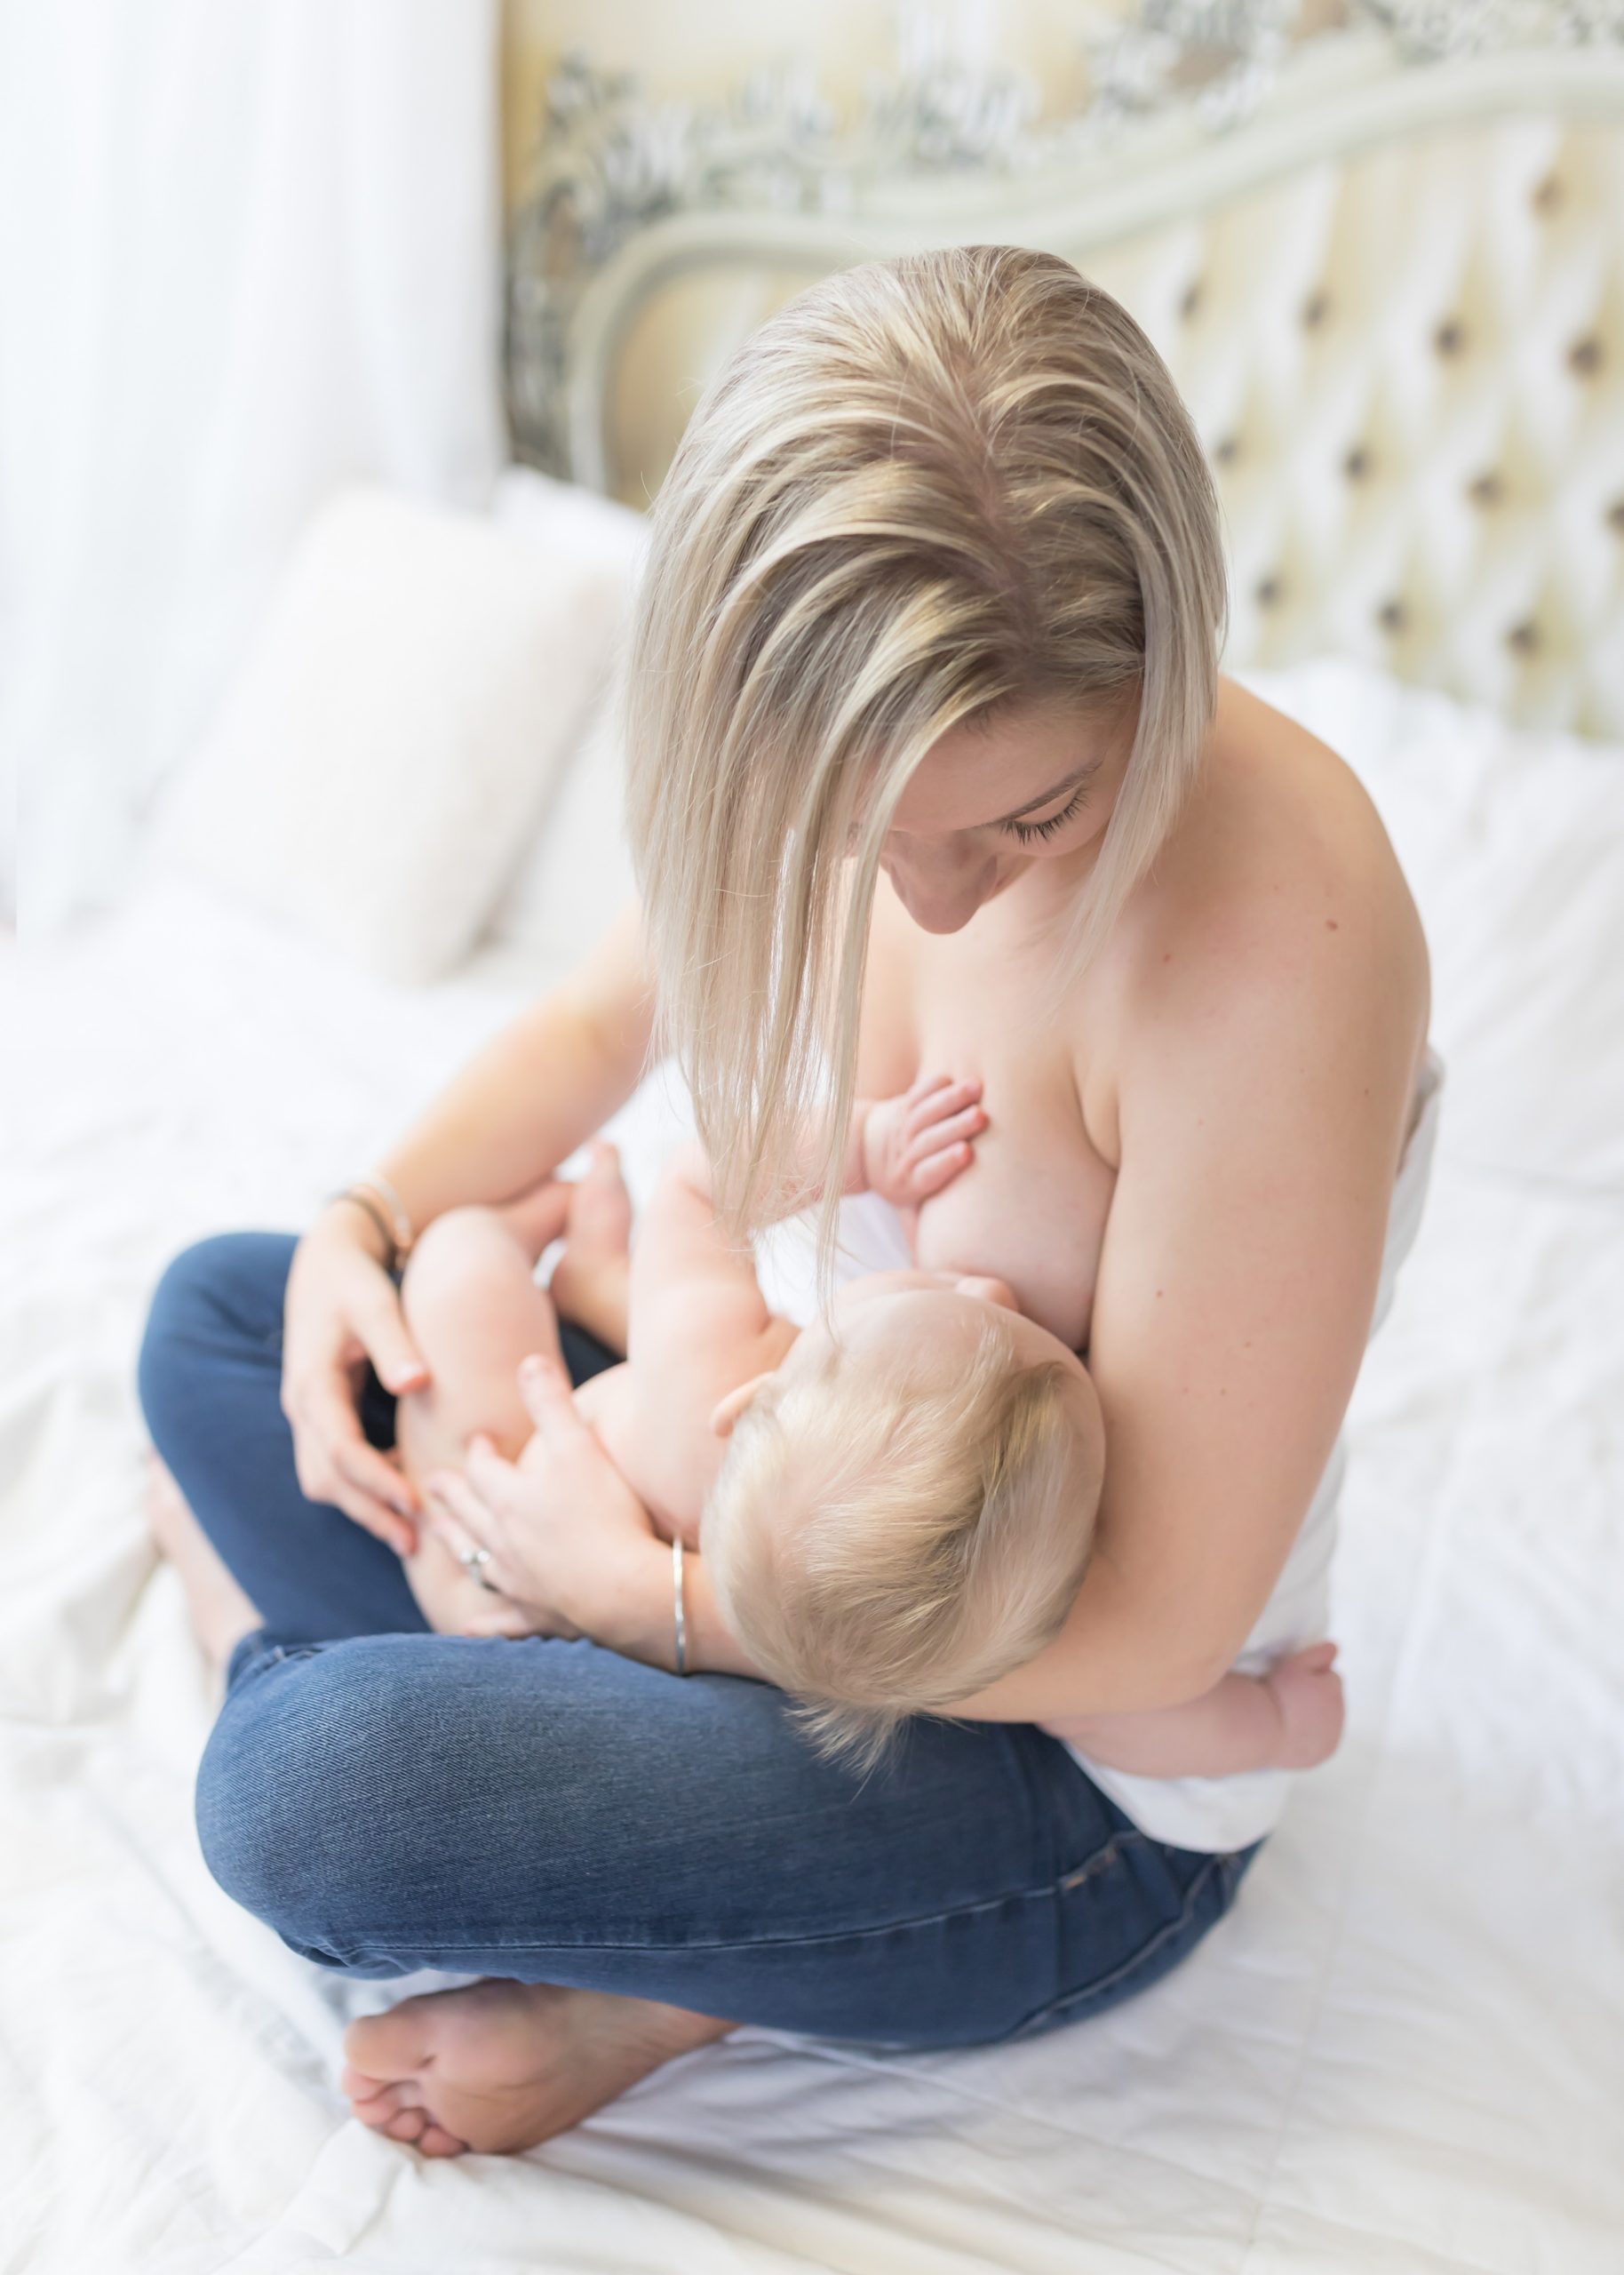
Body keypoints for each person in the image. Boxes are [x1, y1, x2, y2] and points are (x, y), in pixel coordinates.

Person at [137, 244, 1437, 2159]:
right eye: (866, 823)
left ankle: (655, 1969)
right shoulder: (814, 718)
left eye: (1033, 817)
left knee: (299, 1792)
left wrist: (655, 1601)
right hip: (774, 1493)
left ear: (1155, 666)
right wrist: (365, 1217)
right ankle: (615, 1823)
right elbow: (595, 1023)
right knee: (225, 1324)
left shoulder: (1277, 936)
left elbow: (1158, 1630)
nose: (931, 900)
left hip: (1047, 1750)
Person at [394, 1122, 1345, 1774]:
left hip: (492, 1552)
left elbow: (696, 1184)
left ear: (756, 1401)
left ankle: (564, 1247)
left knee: (460, 1269)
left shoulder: (705, 1376)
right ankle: (599, 1282)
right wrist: (1277, 1724)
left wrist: (864, 1144)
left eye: (931, 1295)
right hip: (585, 1660)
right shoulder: (947, 1652)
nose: (994, 1292)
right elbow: (1120, 1718)